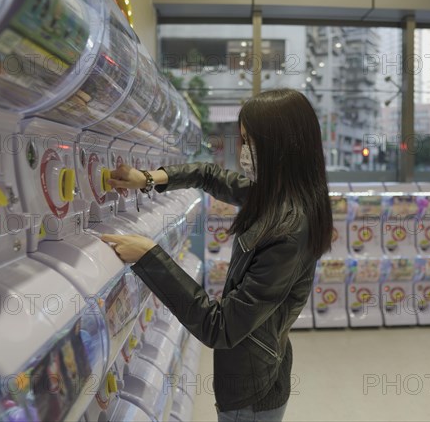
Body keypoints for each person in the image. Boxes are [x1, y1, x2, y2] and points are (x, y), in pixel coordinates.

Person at [102, 88, 332, 422]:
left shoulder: (289, 228)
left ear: (281, 147)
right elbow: (210, 175)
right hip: (261, 366)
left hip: (252, 390)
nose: (243, 152)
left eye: (249, 141)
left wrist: (150, 255)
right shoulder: (275, 195)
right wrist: (148, 179)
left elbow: (220, 327)